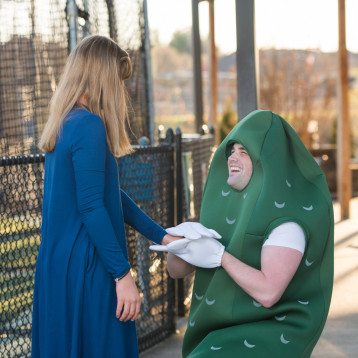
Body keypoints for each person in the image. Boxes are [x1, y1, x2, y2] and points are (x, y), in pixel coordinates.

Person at [31, 35, 178, 358]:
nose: (120, 91)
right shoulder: (89, 125)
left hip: (58, 266)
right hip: (88, 265)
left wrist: (162, 235)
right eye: (117, 80)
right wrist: (122, 274)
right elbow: (92, 206)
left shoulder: (65, 123)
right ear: (102, 77)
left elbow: (109, 196)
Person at [152, 110, 334, 357]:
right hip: (217, 332)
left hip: (268, 333)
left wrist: (220, 256)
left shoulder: (288, 223)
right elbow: (177, 272)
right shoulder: (229, 210)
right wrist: (180, 247)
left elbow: (269, 293)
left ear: (268, 160)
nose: (232, 158)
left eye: (244, 152)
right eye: (232, 150)